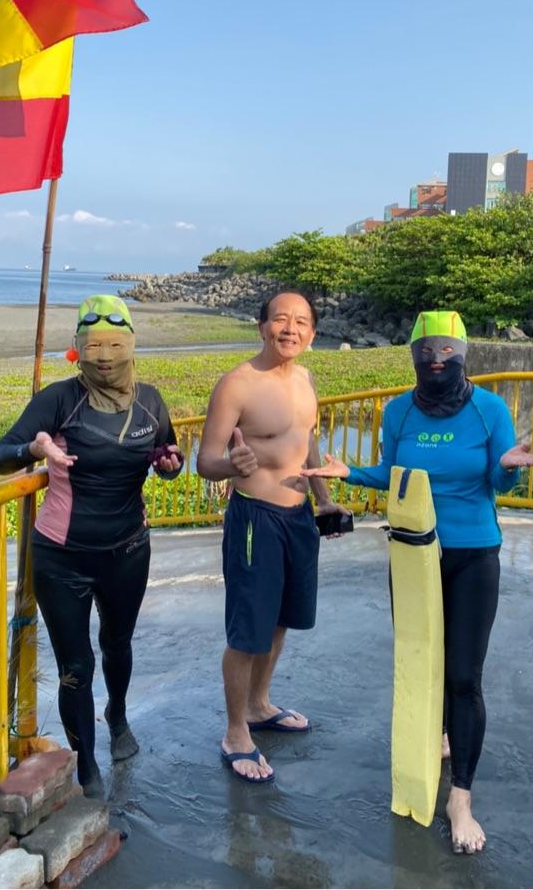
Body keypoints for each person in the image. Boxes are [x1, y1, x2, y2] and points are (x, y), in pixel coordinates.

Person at [303, 310, 533, 854]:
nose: (437, 361)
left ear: (463, 355)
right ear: (414, 357)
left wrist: (509, 468)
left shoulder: (488, 409)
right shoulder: (398, 411)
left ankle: (461, 798)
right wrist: (351, 474)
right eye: (426, 353)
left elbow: (498, 478)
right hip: (413, 554)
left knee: (463, 676)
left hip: (472, 553)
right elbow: (393, 474)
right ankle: (435, 740)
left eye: (447, 352)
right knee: (421, 664)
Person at [0, 296, 182, 798]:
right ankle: (88, 771)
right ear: (77, 349)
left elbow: (167, 451)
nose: (104, 357)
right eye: (93, 346)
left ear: (131, 346)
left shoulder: (151, 401)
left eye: (115, 345)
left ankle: (117, 717)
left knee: (117, 644)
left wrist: (170, 464)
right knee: (76, 668)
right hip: (61, 557)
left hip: (128, 551)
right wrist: (34, 449)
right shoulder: (59, 399)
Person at [197, 289, 348, 785]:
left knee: (281, 619)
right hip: (255, 519)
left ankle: (259, 705)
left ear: (313, 333)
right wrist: (232, 464)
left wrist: (323, 498)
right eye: (280, 319)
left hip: (298, 516)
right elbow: (206, 461)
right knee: (248, 629)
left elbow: (307, 441)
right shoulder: (236, 384)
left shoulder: (306, 379)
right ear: (261, 326)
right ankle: (235, 732)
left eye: (301, 321)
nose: (290, 328)